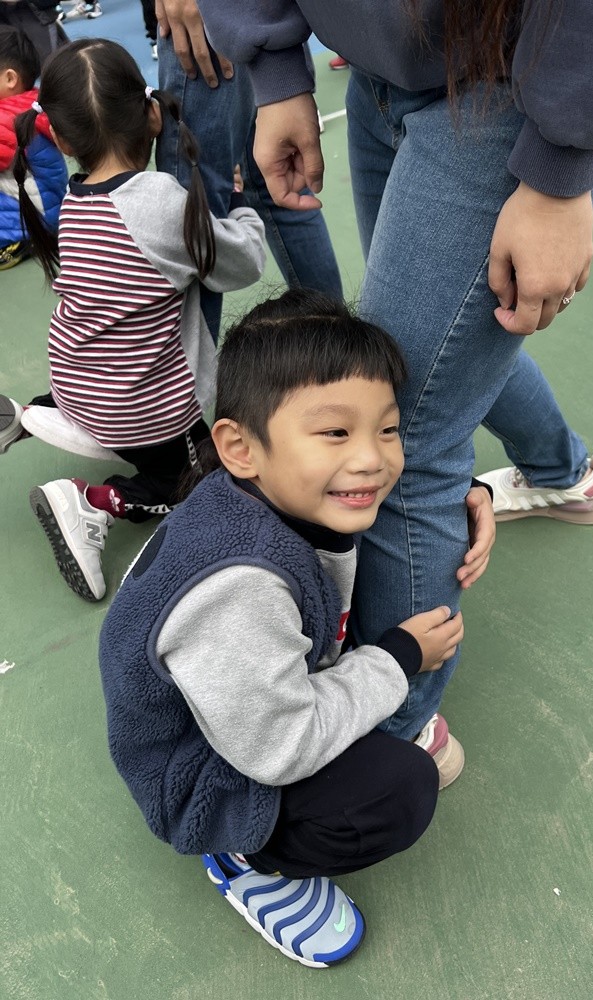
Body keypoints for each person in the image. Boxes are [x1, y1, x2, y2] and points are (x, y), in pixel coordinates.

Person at [193, 0, 593, 750]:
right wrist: (276, 71)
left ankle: (402, 733)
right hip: (384, 64)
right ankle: (564, 473)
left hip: (516, 84)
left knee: (406, 422)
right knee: (440, 354)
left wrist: (560, 172)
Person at [98, 290, 496, 966]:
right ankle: (246, 855)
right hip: (204, 773)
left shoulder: (273, 491)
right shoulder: (240, 591)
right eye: (336, 433)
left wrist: (467, 494)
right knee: (397, 791)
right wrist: (397, 659)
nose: (372, 459)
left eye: (388, 429)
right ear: (240, 447)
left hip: (241, 705)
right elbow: (279, 746)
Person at [0, 37, 265, 600]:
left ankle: (33, 414)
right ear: (151, 115)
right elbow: (240, 264)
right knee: (204, 484)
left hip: (75, 377)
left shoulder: (77, 201)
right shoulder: (159, 202)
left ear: (63, 140)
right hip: (143, 411)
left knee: (111, 352)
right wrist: (244, 208)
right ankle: (92, 503)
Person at [155, 0, 342, 343]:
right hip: (252, 16)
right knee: (281, 186)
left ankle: (185, 377)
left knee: (191, 207)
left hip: (209, 16)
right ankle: (337, 345)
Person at [0, 24, 66, 269]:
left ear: (10, 78)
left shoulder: (8, 118)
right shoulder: (29, 104)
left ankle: (14, 240)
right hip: (48, 208)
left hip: (34, 217)